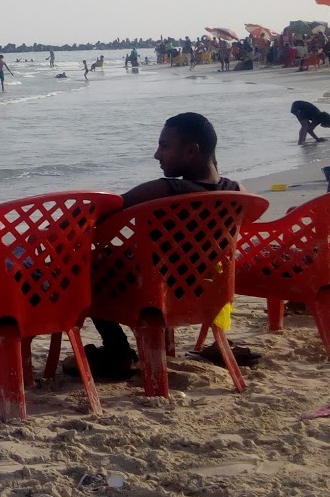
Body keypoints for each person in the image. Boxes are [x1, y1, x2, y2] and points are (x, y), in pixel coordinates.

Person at [86, 113, 245, 378]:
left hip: (153, 291)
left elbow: (100, 213)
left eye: (164, 146)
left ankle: (117, 349)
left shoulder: (163, 191)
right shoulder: (237, 191)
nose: (157, 155)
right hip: (204, 287)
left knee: (88, 265)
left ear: (191, 151)